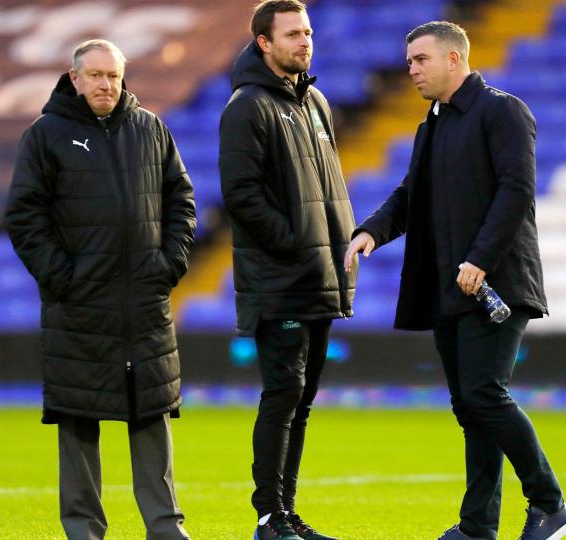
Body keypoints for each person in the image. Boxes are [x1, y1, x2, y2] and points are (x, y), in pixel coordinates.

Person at [344, 21, 566, 540]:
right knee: (471, 407)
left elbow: (516, 192)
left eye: (420, 60)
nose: (411, 70)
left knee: (482, 395)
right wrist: (372, 232)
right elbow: (411, 193)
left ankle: (550, 503)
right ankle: (477, 526)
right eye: (409, 62)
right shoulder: (433, 123)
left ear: (454, 59)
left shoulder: (502, 111)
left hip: (496, 284)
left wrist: (481, 259)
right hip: (452, 287)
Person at [6, 39, 195, 540]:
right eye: (95, 75)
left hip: (144, 302)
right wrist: (61, 277)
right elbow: (24, 217)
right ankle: (84, 529)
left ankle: (165, 526)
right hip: (79, 303)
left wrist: (170, 263)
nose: (106, 84)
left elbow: (182, 199)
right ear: (74, 78)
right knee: (77, 418)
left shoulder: (150, 128)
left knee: (151, 413)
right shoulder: (45, 135)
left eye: (113, 75)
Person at [218, 1, 356, 539]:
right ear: (264, 43)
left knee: (301, 402)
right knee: (283, 395)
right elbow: (241, 195)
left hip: (320, 276)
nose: (305, 41)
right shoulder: (246, 106)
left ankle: (287, 514)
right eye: (293, 33)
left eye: (308, 31)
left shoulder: (315, 101)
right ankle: (268, 516)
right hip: (282, 278)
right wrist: (297, 245)